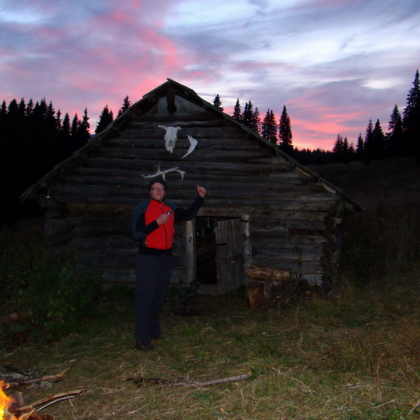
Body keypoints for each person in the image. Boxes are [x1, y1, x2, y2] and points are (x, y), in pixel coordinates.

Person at [131, 177, 207, 350]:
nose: (158, 191)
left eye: (161, 189)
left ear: (165, 192)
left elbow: (187, 215)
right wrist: (156, 223)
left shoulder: (170, 207)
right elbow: (136, 234)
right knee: (146, 297)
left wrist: (200, 198)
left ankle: (152, 329)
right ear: (150, 191)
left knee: (159, 296)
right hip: (148, 258)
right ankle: (141, 337)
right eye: (155, 188)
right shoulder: (142, 208)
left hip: (165, 258)